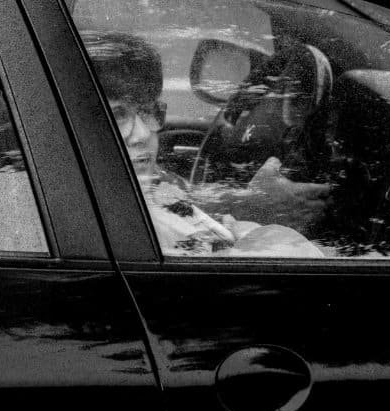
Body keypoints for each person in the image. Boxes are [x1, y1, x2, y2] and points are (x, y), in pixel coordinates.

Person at [82, 30, 328, 257]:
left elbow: (183, 203)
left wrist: (243, 208)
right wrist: (266, 234)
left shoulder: (144, 186)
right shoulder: (123, 229)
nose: (143, 134)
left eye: (147, 111)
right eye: (117, 115)